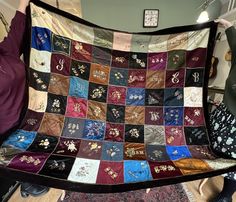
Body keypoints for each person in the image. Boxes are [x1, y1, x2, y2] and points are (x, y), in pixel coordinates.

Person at [0, 0, 49, 198]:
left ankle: (27, 182)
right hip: (5, 132)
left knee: (31, 158)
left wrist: (23, 3)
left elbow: (17, 32)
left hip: (27, 116)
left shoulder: (4, 52)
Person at [209, 18, 236, 202]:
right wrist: (227, 25)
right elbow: (234, 39)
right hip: (225, 114)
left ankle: (226, 195)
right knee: (211, 146)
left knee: (233, 163)